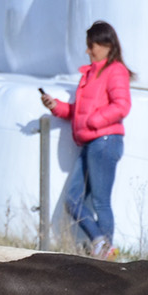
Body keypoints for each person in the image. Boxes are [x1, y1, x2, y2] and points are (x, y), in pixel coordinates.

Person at [41, 21, 132, 260]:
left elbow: (122, 105)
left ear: (106, 45)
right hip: (92, 141)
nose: (88, 51)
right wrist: (56, 106)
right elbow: (78, 111)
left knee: (101, 202)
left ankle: (105, 252)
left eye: (92, 45)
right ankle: (101, 243)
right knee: (73, 199)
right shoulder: (91, 73)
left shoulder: (115, 71)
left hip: (105, 140)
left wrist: (94, 120)